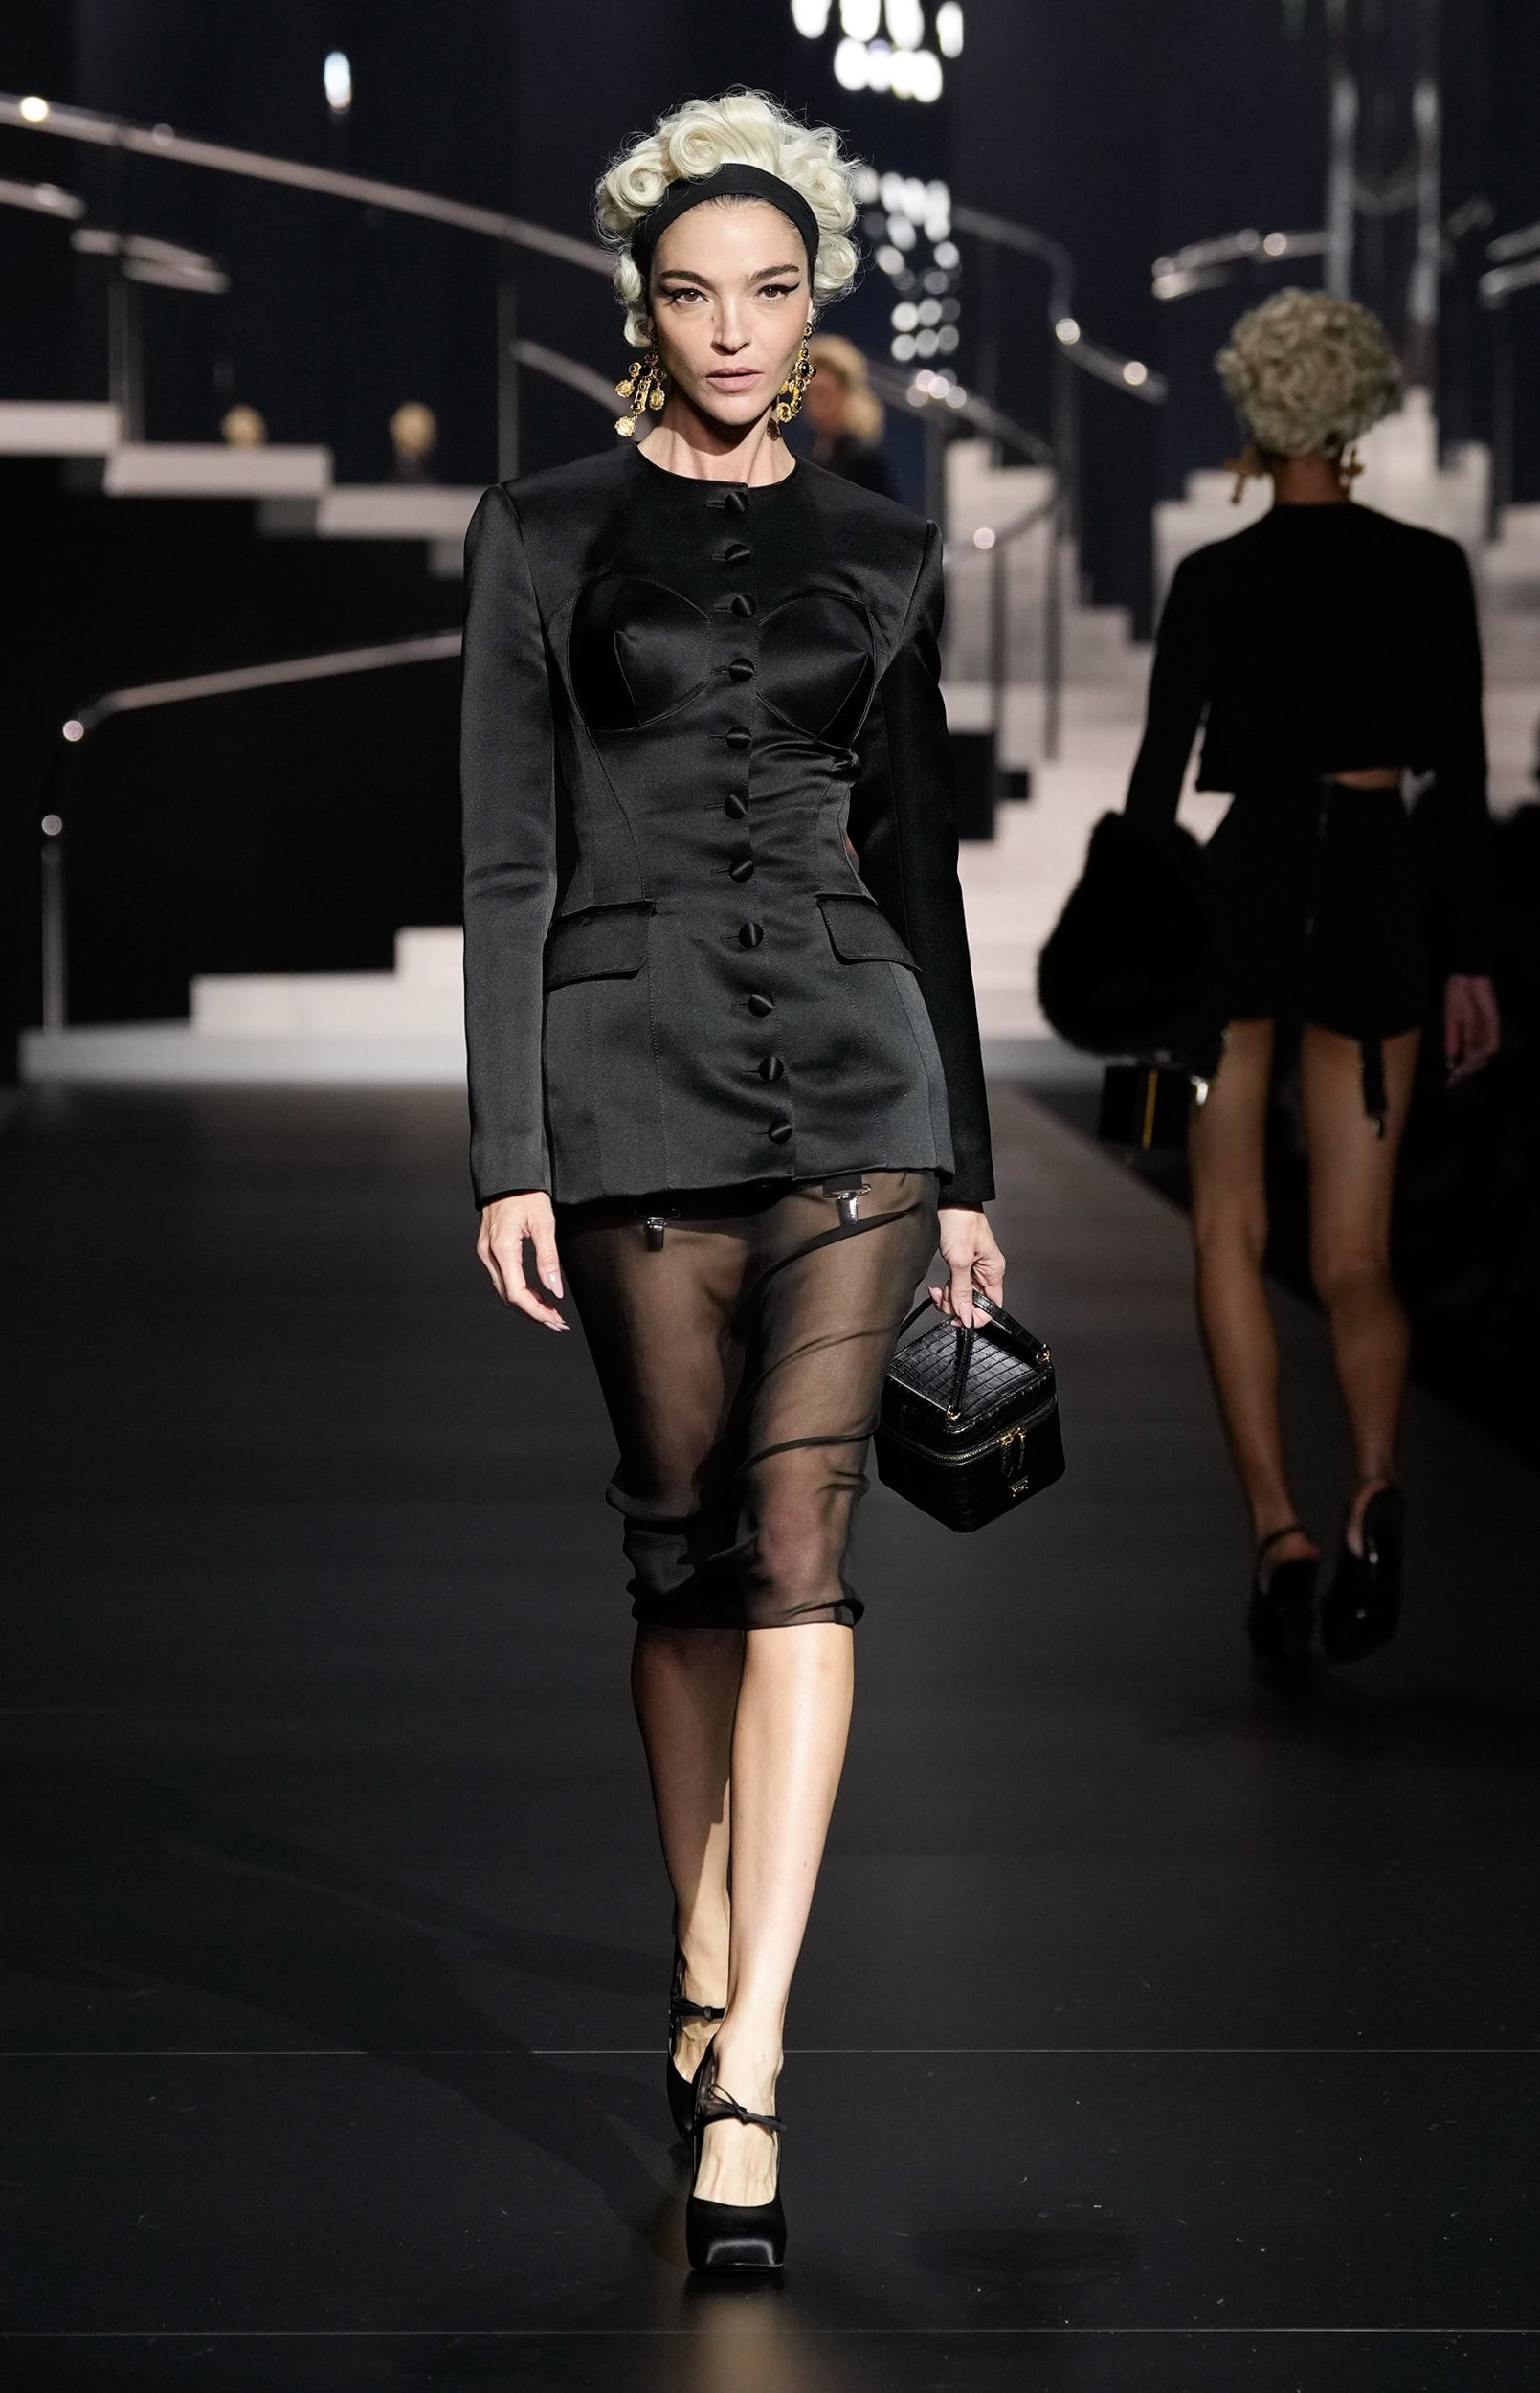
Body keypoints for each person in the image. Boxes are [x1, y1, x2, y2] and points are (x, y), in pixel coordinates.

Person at [459, 91, 1002, 2270]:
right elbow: (506, 853)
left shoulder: (886, 544)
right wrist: (507, 1147)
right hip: (627, 1075)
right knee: (680, 1557)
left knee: (798, 1551)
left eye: (771, 293)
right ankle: (698, 1956)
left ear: (814, 305)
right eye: (695, 294)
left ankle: (754, 2059)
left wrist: (965, 1165)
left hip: (857, 1077)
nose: (734, 330)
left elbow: (920, 868)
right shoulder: (541, 528)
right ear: (644, 305)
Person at [1123, 285, 1500, 1670]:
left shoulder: (1212, 579)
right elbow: (1459, 785)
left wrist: (1137, 972)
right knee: (1354, 1255)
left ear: (1251, 408)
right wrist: (1467, 959)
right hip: (1374, 895)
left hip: (1242, 891)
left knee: (1225, 1229)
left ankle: (1276, 1532)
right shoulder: (1425, 569)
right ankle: (1374, 1484)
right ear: (1356, 411)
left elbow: (1153, 790)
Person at [802, 331, 896, 496]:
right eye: (809, 393)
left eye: (823, 393)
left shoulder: (863, 463)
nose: (815, 403)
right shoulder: (812, 454)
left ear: (845, 394)